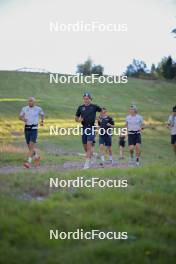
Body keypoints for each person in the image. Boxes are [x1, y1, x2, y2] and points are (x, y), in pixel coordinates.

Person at [75, 93, 101, 169]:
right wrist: (79, 120)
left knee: (89, 145)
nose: (86, 100)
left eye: (87, 98)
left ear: (90, 99)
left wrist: (99, 118)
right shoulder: (80, 107)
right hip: (84, 128)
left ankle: (87, 164)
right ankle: (92, 155)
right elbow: (76, 118)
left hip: (92, 128)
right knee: (85, 147)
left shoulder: (94, 107)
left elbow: (102, 111)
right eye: (84, 98)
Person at [19, 97, 44, 168]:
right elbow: (20, 117)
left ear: (34, 102)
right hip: (26, 129)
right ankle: (37, 157)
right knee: (30, 147)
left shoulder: (38, 109)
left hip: (34, 129)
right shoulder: (24, 108)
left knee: (31, 145)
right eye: (29, 101)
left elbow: (42, 114)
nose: (30, 102)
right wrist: (23, 119)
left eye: (31, 101)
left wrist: (42, 121)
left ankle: (28, 162)